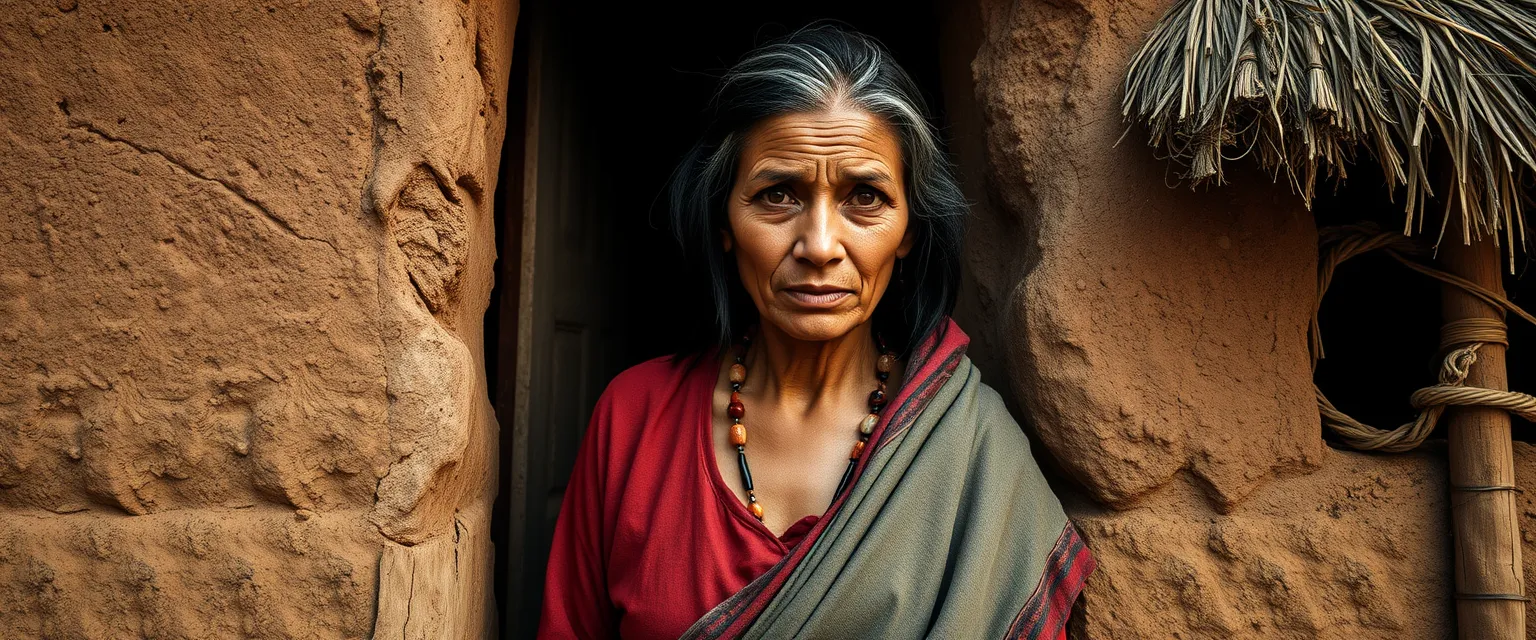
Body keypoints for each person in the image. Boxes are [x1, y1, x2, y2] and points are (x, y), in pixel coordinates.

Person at [537, 25, 1093, 639]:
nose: (820, 245)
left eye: (865, 196)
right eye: (778, 194)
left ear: (909, 228)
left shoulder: (970, 450)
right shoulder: (635, 420)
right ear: (724, 219)